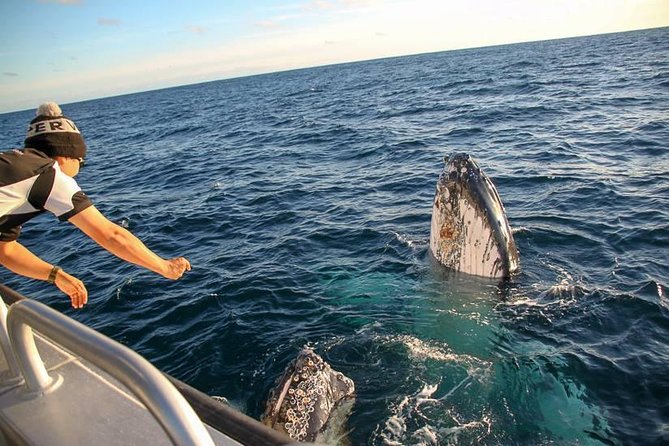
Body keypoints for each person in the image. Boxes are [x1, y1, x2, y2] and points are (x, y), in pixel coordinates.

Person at [0, 102, 190, 309]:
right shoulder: (48, 173)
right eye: (81, 162)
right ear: (65, 155)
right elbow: (110, 235)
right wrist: (165, 267)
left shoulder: (14, 177)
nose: (79, 169)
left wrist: (56, 275)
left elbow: (5, 251)